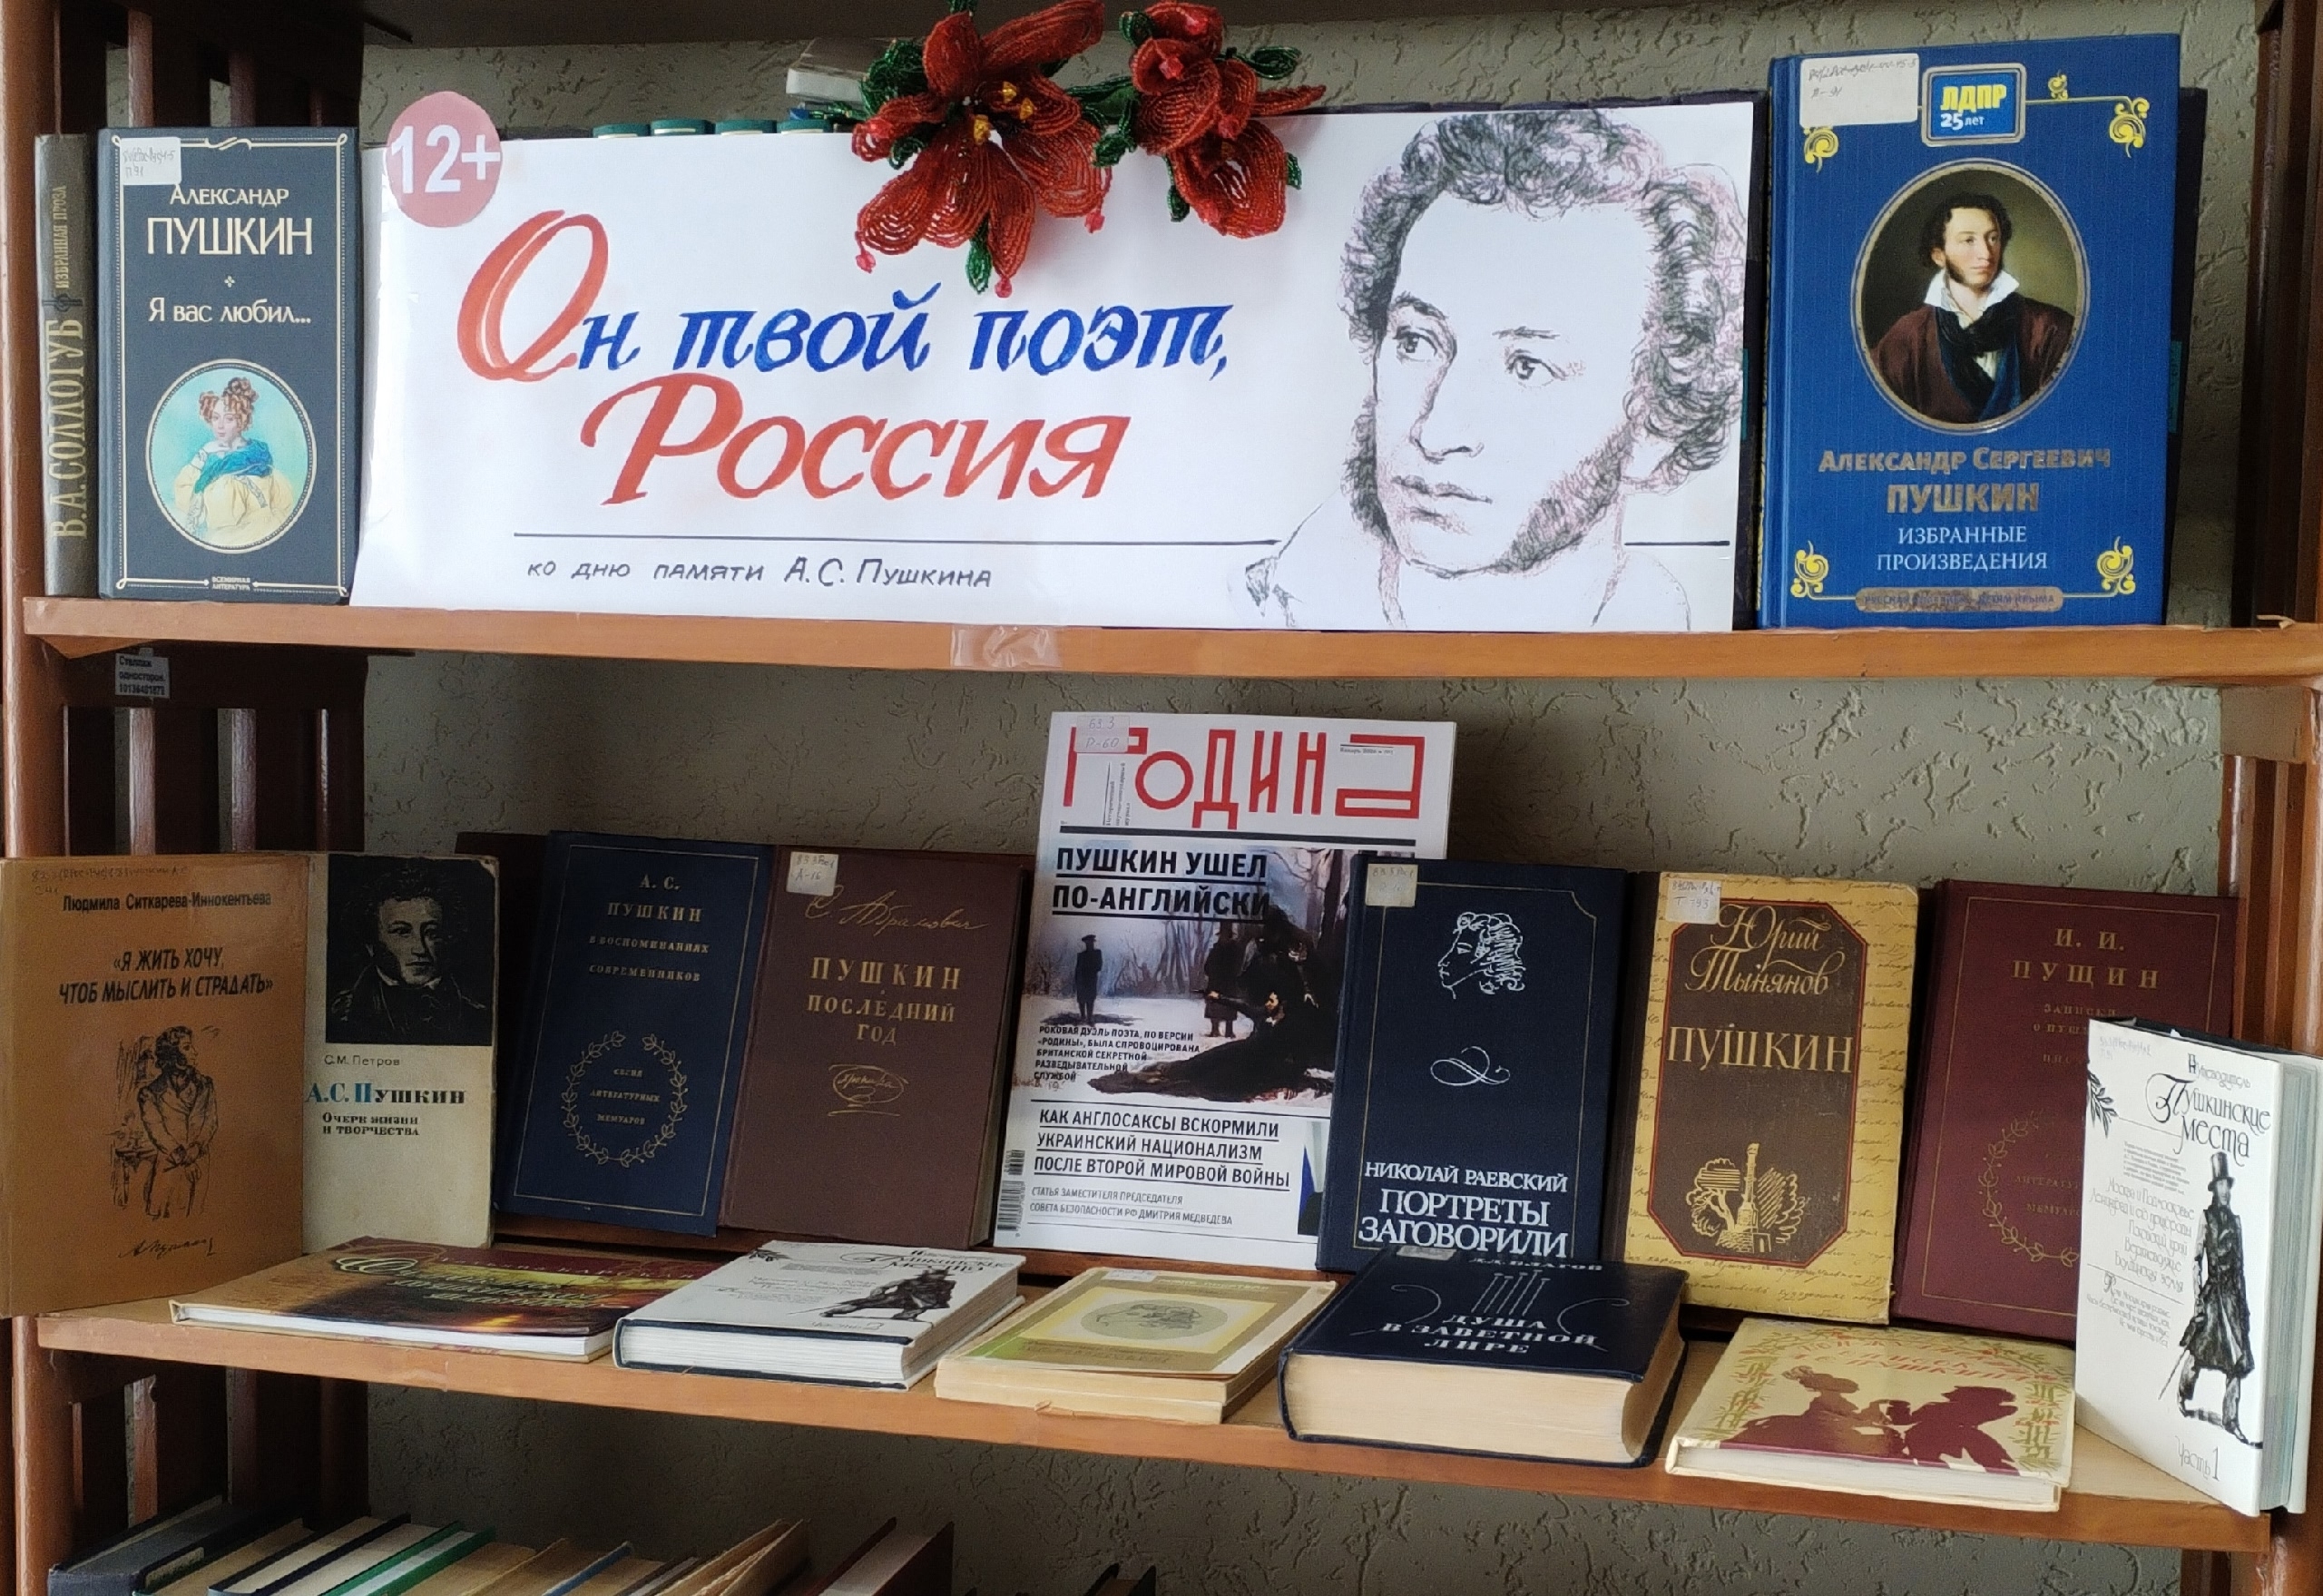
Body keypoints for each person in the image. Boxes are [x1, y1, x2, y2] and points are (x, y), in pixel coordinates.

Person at [1247, 109, 1744, 631]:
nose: (1437, 434)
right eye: (1416, 342)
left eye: (1528, 368)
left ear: (1657, 426)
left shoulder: (1674, 624)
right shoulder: (1254, 612)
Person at [1870, 191, 2074, 426]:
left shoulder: (2049, 328)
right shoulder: (1908, 337)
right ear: (1939, 255)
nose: (1986, 254)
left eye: (1993, 238)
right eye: (1969, 240)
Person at [329, 875, 490, 1045]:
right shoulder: (340, 1017)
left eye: (431, 932)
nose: (420, 949)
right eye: (402, 932)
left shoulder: (477, 1018)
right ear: (371, 942)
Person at [2178, 1150, 2255, 1442]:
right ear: (2214, 1188)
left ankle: (2231, 1420)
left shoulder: (2236, 1223)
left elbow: (2241, 1268)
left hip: (2232, 1299)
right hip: (2212, 1297)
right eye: (2220, 1185)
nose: (2225, 1191)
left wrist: (2243, 1306)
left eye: (2227, 1185)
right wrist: (2198, 1297)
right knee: (2199, 1352)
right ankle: (2183, 1394)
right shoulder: (2206, 1218)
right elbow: (2196, 1261)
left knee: (2237, 1359)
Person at [170, 375, 299, 548]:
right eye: (215, 418)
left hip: (260, 536)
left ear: (241, 420)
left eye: (229, 418)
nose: (220, 425)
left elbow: (282, 503)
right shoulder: (208, 458)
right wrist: (203, 454)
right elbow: (184, 499)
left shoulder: (259, 457)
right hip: (221, 542)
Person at [137, 1026, 218, 1219]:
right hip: (169, 1166)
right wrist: (183, 1159)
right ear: (173, 1054)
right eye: (187, 1048)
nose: (195, 1052)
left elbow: (211, 1122)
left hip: (199, 1164)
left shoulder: (205, 1085)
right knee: (163, 1219)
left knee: (198, 1218)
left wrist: (196, 1149)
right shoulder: (150, 1093)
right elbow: (157, 1131)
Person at [1201, 923, 1244, 1037]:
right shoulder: (1215, 949)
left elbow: (1238, 967)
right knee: (1214, 1006)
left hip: (1229, 984)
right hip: (1215, 984)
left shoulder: (1235, 950)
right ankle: (1214, 1030)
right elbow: (1207, 967)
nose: (1223, 937)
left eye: (1225, 934)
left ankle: (1229, 1031)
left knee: (1229, 1006)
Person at [1073, 934, 1103, 1026]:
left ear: (1093, 943)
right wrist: (1076, 981)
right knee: (1081, 999)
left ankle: (1089, 1019)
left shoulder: (1097, 953)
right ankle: (1083, 1017)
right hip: (1081, 980)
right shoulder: (1081, 955)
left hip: (1091, 980)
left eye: (1091, 943)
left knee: (1090, 999)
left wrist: (1088, 969)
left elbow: (1099, 966)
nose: (1089, 944)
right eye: (1087, 943)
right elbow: (1077, 969)